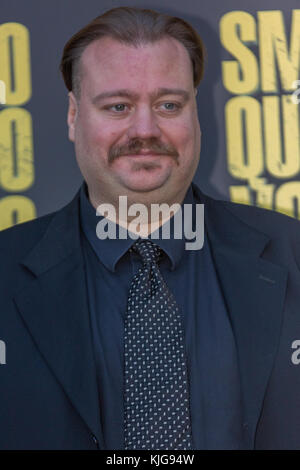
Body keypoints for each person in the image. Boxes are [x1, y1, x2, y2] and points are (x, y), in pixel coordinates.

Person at [0, 6, 300, 450]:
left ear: (196, 112)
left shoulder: (292, 251)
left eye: (168, 105)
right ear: (72, 115)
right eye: (118, 106)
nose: (145, 129)